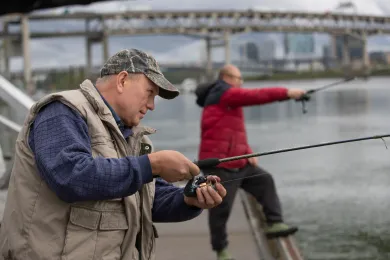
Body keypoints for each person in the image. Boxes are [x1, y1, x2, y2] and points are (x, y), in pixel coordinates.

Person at [0, 48, 227, 260]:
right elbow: (71, 176)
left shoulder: (134, 137)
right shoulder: (62, 111)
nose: (151, 105)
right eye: (150, 93)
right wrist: (153, 165)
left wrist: (188, 199)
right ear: (122, 80)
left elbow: (145, 197)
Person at [195, 64, 306, 260]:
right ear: (227, 77)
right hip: (220, 164)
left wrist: (247, 152)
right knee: (221, 208)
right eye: (239, 79)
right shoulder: (224, 94)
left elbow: (231, 130)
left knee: (265, 180)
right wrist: (288, 93)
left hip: (238, 161)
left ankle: (275, 223)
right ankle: (221, 250)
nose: (241, 83)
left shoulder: (227, 99)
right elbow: (257, 95)